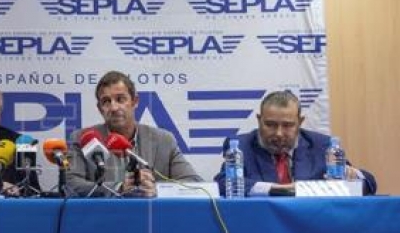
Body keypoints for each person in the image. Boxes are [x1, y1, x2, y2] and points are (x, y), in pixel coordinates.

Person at [213, 90, 377, 196]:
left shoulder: (322, 145)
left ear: (300, 121)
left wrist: (355, 176)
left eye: (287, 125)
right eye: (270, 124)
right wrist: (276, 189)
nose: (278, 133)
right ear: (259, 120)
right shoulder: (241, 146)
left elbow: (369, 184)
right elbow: (223, 183)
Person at [67, 71, 201, 198]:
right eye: (106, 101)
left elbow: (193, 182)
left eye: (120, 99)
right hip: (103, 218)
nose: (114, 108)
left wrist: (156, 190)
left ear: (135, 102)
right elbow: (70, 185)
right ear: (100, 108)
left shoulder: (163, 140)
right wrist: (119, 188)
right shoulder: (83, 138)